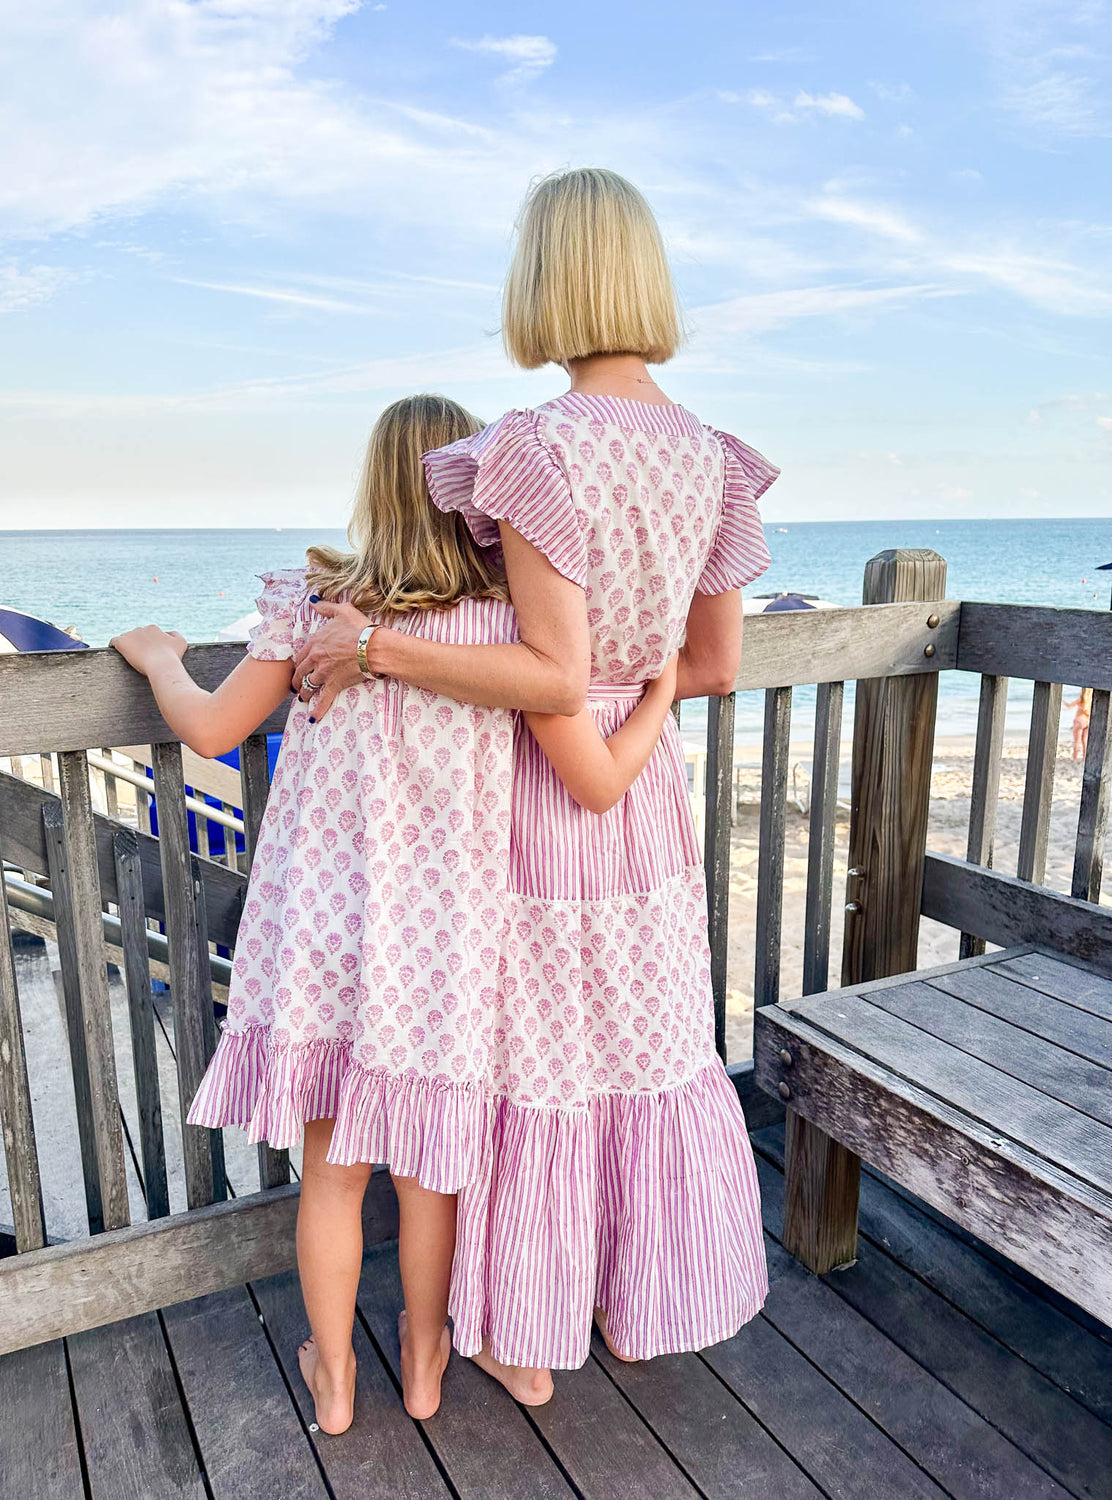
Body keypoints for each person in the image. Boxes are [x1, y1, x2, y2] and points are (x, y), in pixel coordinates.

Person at [110, 393, 680, 1434]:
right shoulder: (505, 633)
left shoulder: (317, 611)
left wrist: (158, 659)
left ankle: (333, 1382)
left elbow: (209, 729)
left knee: (330, 1175)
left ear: (373, 489)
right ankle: (423, 1366)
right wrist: (660, 690)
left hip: (323, 936)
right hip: (447, 945)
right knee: (430, 1175)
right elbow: (578, 739)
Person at [293, 167, 773, 1403]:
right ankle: (629, 1293)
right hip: (646, 793)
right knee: (639, 1046)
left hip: (543, 800)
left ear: (544, 281)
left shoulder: (533, 451)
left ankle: (520, 1331)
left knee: (534, 1068)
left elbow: (550, 671)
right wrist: (650, 691)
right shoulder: (713, 458)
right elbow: (713, 663)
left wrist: (378, 645)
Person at [1066, 686, 1092, 762]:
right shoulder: (1090, 701)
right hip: (1087, 720)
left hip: (1079, 720)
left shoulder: (1081, 700)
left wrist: (1063, 702)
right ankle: (1084, 757)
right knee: (1085, 740)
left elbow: (1069, 705)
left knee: (1077, 741)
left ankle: (1075, 757)